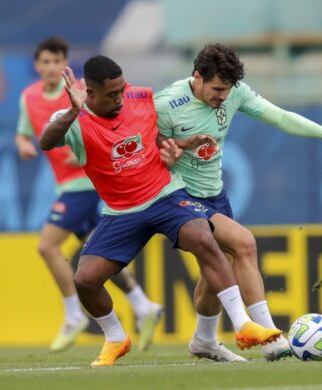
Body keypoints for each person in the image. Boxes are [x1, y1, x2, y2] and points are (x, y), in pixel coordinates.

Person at [39, 55, 283, 367]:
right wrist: (72, 112)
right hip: (121, 212)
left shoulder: (140, 97)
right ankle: (115, 337)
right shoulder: (74, 119)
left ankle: (243, 325)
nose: (120, 98)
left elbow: (155, 138)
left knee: (203, 237)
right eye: (112, 95)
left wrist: (182, 143)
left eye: (122, 89)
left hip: (164, 196)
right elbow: (47, 142)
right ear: (91, 94)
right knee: (85, 280)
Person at [155, 43, 322, 362]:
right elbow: (142, 150)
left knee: (215, 274)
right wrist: (165, 154)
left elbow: (277, 116)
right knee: (244, 244)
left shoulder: (234, 92)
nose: (223, 97)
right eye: (218, 89)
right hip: (179, 197)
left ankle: (203, 340)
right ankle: (270, 337)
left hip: (215, 195)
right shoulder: (167, 104)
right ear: (198, 76)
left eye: (228, 89)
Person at [15, 37, 163, 352]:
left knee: (47, 246)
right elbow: (26, 134)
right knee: (98, 258)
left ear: (66, 64)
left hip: (83, 185)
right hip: (67, 185)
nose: (52, 67)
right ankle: (142, 305)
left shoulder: (84, 91)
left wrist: (86, 149)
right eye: (45, 62)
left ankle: (72, 315)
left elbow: (108, 124)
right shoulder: (28, 98)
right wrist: (24, 146)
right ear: (37, 66)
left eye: (58, 61)